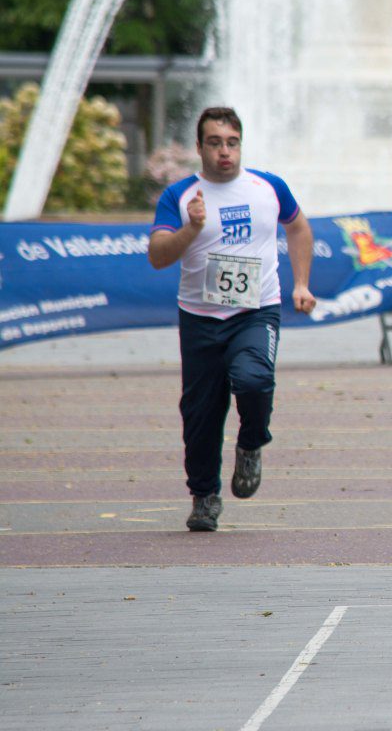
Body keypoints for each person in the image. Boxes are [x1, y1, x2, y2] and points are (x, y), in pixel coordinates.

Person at [148, 107, 316, 532]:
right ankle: (204, 496)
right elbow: (158, 256)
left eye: (232, 142)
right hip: (201, 318)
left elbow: (298, 227)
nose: (225, 151)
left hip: (257, 310)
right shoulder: (181, 196)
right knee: (201, 415)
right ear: (200, 146)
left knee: (255, 380)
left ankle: (251, 444)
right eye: (215, 142)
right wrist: (192, 228)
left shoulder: (267, 187)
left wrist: (301, 283)